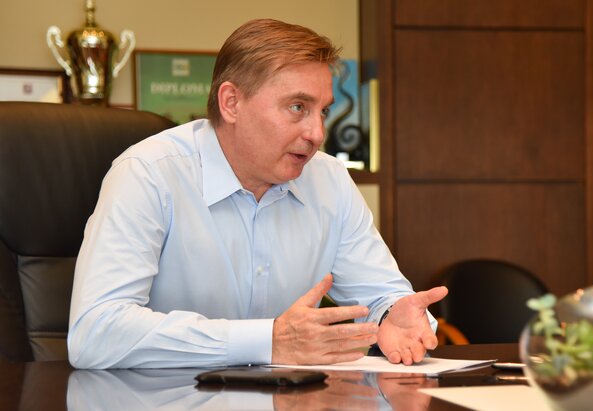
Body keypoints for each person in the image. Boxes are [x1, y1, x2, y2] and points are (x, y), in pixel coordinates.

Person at [68, 18, 447, 369]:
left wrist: (390, 316)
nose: (317, 133)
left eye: (323, 112)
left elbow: (381, 294)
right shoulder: (149, 173)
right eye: (297, 107)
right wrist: (267, 341)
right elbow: (95, 332)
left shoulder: (329, 179)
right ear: (231, 103)